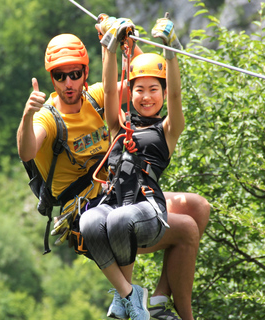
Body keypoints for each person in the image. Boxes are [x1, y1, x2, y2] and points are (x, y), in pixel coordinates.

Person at [17, 29, 209, 320]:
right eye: (60, 76)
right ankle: (156, 305)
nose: (68, 83)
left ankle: (158, 297)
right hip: (87, 212)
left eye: (74, 74)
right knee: (186, 229)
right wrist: (27, 115)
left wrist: (129, 43)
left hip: (117, 193)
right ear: (52, 78)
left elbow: (146, 81)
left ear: (85, 72)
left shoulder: (94, 99)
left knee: (198, 206)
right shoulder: (48, 117)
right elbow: (27, 151)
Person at [79, 16, 192, 320]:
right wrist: (110, 47)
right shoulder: (119, 127)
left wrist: (170, 53)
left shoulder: (167, 130)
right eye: (139, 89)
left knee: (118, 219)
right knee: (88, 222)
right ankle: (128, 295)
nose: (145, 96)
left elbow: (178, 97)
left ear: (162, 93)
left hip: (149, 211)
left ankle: (124, 298)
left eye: (154, 89)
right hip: (114, 203)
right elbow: (112, 94)